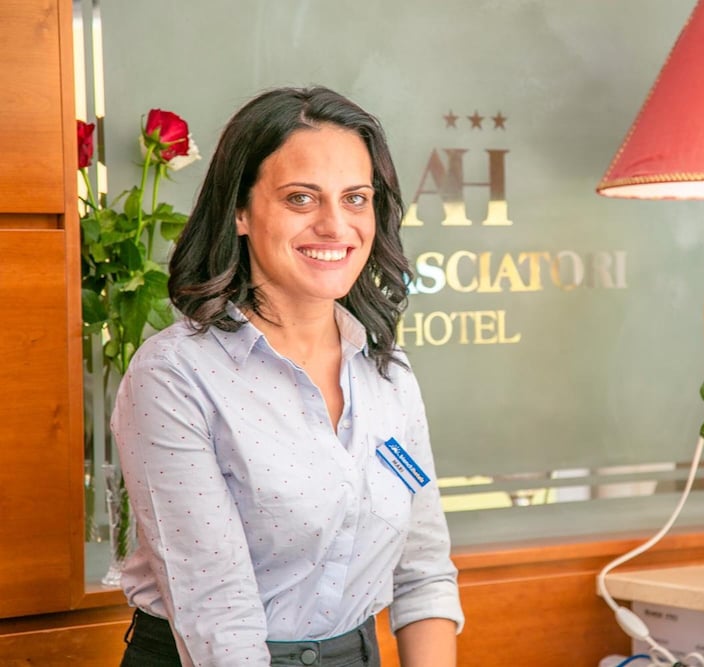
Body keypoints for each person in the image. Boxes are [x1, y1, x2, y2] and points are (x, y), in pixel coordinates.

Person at [111, 86, 463, 667]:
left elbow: (423, 576)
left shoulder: (387, 373)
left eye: (355, 199)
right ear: (240, 212)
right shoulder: (174, 376)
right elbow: (218, 618)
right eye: (301, 198)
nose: (335, 225)